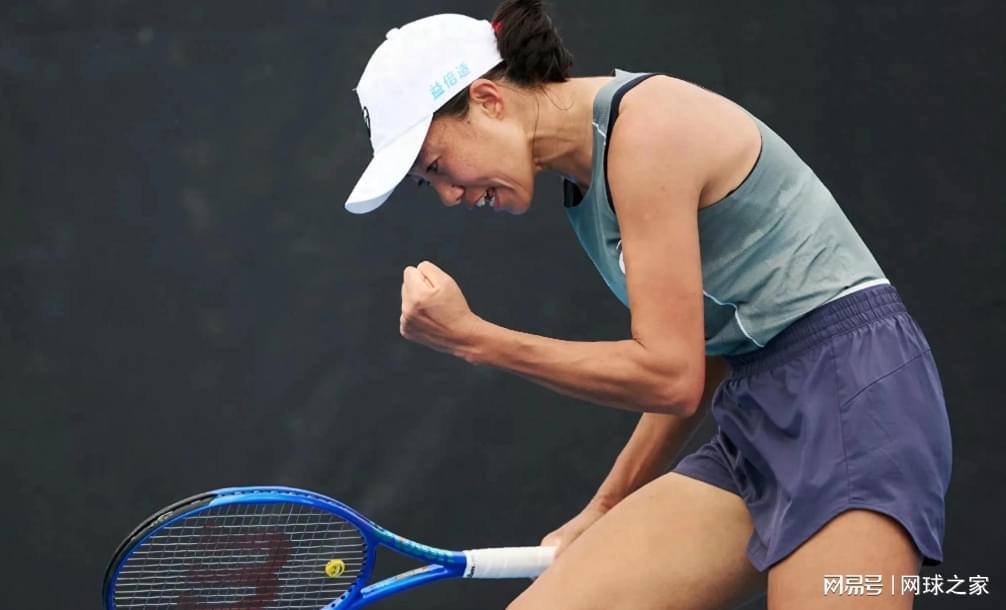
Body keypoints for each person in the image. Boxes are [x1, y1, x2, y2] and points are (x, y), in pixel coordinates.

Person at [345, 2, 953, 608]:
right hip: (756, 419)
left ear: (489, 100)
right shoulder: (588, 181)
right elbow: (704, 352)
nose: (449, 195)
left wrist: (473, 338)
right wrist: (604, 508)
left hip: (854, 399)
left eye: (436, 165)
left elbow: (671, 376)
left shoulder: (646, 131)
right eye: (429, 183)